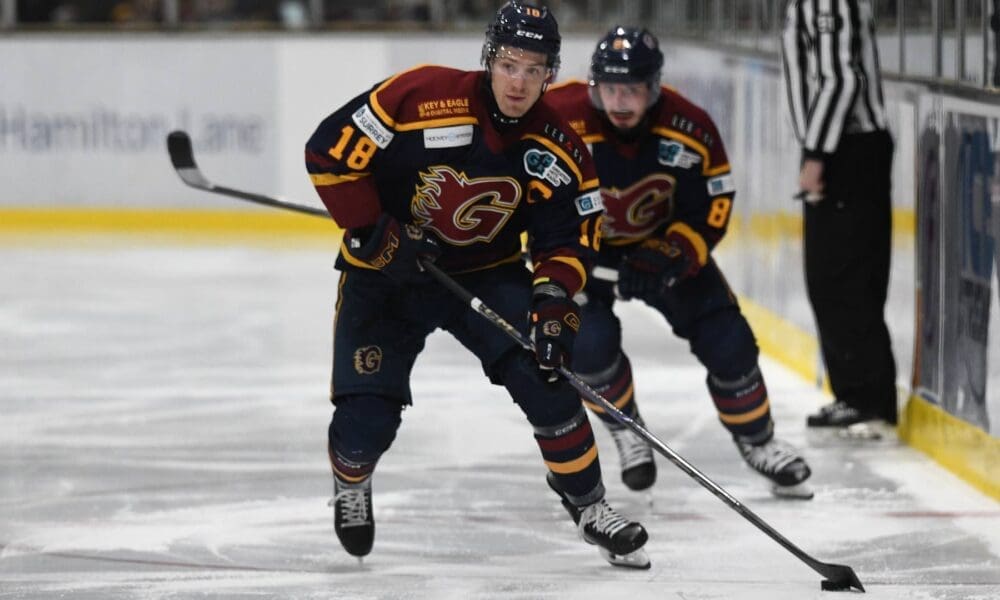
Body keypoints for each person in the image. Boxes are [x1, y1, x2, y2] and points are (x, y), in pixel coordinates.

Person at [304, 2, 650, 569]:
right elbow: (328, 151)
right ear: (490, 59)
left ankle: (590, 507)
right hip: (384, 277)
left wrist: (554, 300)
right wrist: (372, 229)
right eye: (510, 64)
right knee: (365, 423)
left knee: (549, 380)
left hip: (486, 272)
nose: (519, 81)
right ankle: (351, 479)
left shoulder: (556, 144)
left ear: (550, 74)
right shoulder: (418, 97)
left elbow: (570, 236)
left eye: (534, 70)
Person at [545, 26, 813, 498]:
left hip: (660, 248)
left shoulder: (690, 127)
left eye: (632, 90)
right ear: (594, 86)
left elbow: (713, 204)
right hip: (583, 251)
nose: (620, 102)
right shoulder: (560, 118)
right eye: (610, 89)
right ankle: (628, 430)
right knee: (587, 343)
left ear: (653, 87)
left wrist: (674, 252)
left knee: (728, 339)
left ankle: (759, 440)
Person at [781, 0, 897, 431]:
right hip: (842, 149)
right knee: (837, 278)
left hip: (846, 150)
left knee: (840, 278)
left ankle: (866, 399)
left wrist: (816, 155)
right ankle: (859, 395)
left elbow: (840, 80)